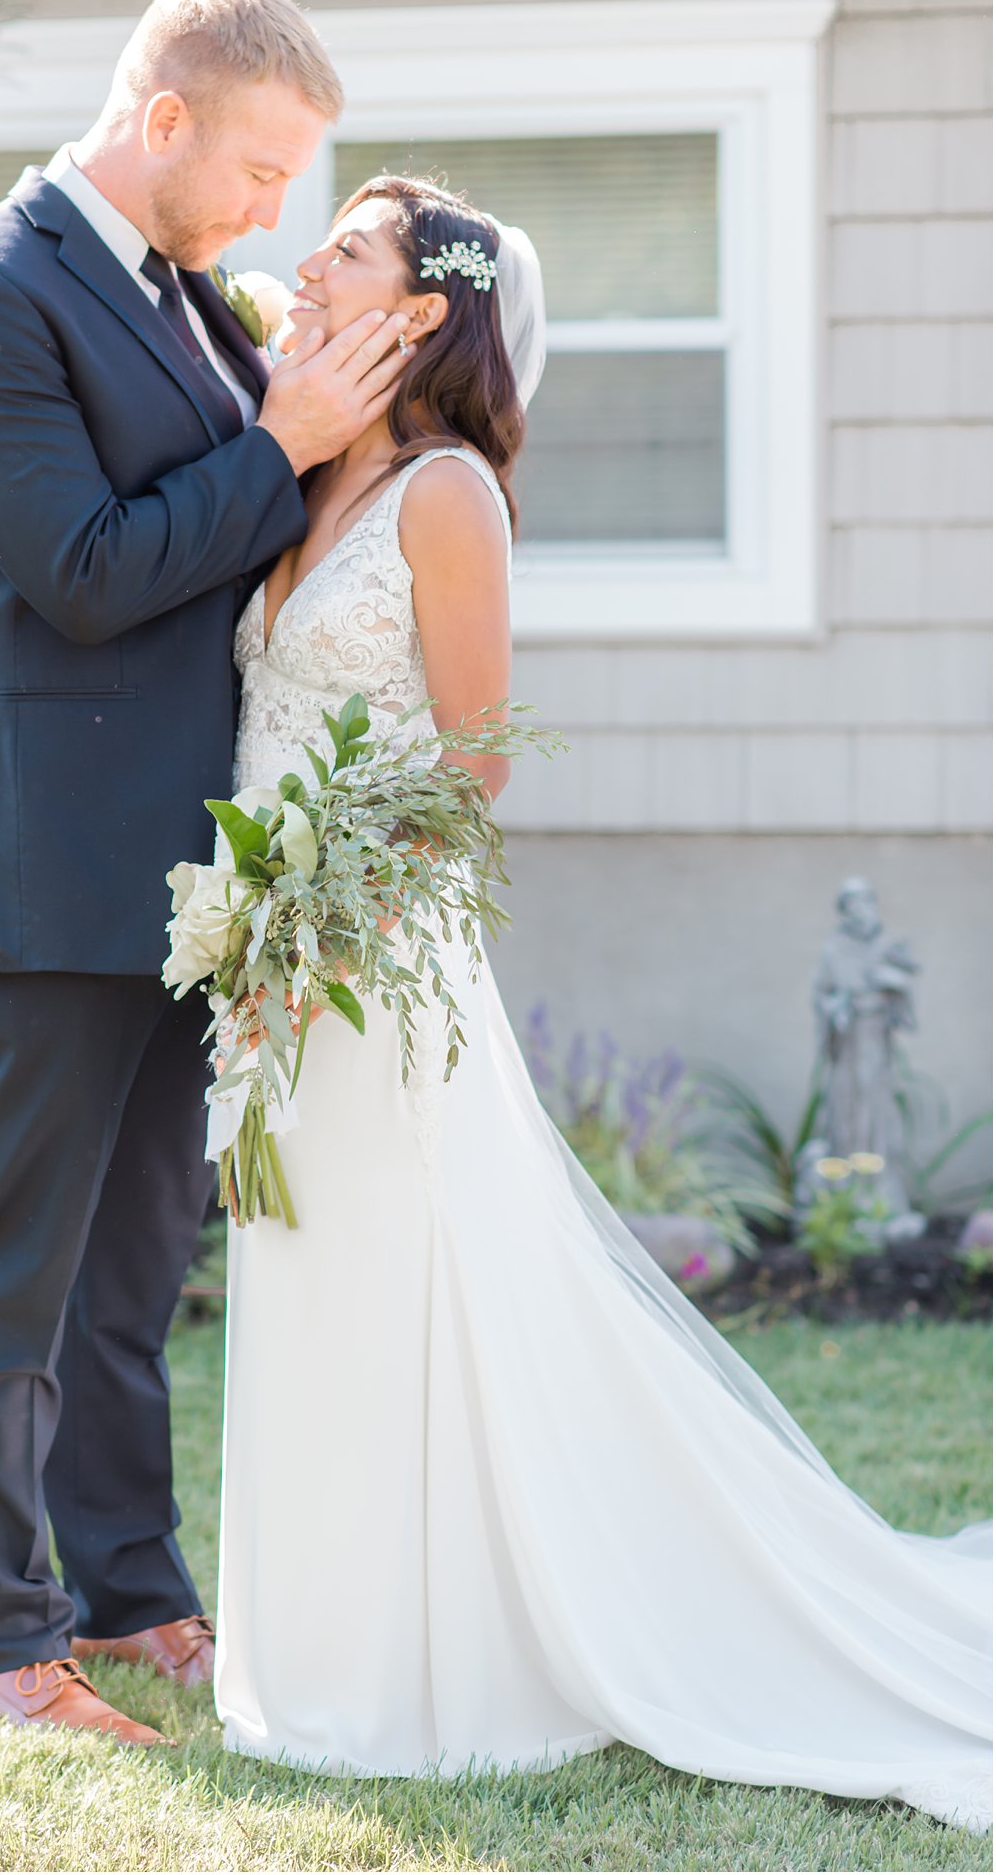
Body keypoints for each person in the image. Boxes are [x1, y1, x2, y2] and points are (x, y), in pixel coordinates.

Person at [214, 174, 993, 1834]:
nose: (308, 257)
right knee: (305, 1283)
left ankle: (439, 1666)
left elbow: (477, 758)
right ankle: (322, 1651)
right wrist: (253, 938)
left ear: (422, 310)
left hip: (374, 963)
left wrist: (326, 929)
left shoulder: (444, 495)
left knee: (412, 1292)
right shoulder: (293, 467)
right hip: (267, 959)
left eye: (345, 244)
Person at [0, 0, 416, 1744]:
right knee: (14, 1272)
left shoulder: (195, 297)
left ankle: (134, 1596)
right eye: (261, 168)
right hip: (32, 863)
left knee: (132, 1274)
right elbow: (88, 568)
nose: (277, 213)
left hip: (191, 871)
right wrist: (280, 442)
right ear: (162, 119)